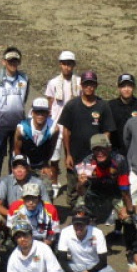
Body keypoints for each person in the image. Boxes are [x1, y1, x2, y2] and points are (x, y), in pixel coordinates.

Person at [57, 70, 115, 208]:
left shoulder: (103, 106)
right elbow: (66, 131)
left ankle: (91, 214)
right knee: (73, 189)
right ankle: (75, 215)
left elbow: (107, 131)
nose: (89, 87)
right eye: (86, 84)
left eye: (92, 84)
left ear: (96, 86)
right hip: (75, 156)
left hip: (95, 157)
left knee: (92, 187)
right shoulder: (72, 105)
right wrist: (68, 155)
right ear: (81, 86)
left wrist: (103, 152)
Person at [76, 134, 137, 254]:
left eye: (103, 149)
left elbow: (124, 188)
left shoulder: (119, 160)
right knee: (80, 213)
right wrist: (80, 184)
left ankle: (132, 248)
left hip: (115, 193)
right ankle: (86, 243)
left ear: (109, 148)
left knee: (129, 219)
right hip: (94, 193)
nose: (100, 153)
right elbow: (81, 192)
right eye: (96, 150)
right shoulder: (87, 162)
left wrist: (128, 210)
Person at [0, 46, 30, 172]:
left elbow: (24, 97)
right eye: (10, 60)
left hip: (19, 125)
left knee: (16, 155)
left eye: (15, 61)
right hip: (1, 125)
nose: (13, 63)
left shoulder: (25, 79)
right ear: (3, 61)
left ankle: (14, 182)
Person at [44, 51, 81, 198]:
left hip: (74, 125)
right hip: (58, 124)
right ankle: (54, 182)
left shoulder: (78, 82)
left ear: (73, 65)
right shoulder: (53, 83)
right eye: (64, 63)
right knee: (54, 156)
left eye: (69, 64)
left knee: (72, 155)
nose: (67, 67)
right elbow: (50, 103)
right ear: (60, 64)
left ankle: (74, 184)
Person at [57, 206, 115, 272]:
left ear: (87, 224)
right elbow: (62, 259)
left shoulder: (97, 233)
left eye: (82, 225)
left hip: (95, 265)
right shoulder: (65, 232)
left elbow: (103, 261)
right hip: (76, 264)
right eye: (76, 224)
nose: (78, 228)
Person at [13, 97, 59, 176]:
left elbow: (51, 148)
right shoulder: (22, 128)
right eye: (37, 112)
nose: (40, 115)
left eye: (43, 112)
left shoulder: (54, 129)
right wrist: (23, 166)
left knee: (46, 183)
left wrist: (45, 164)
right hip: (23, 160)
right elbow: (17, 150)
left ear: (48, 113)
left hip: (40, 162)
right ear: (32, 113)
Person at [6, 182, 61, 247]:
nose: (31, 202)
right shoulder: (15, 207)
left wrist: (48, 241)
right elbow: (10, 227)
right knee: (9, 244)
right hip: (22, 238)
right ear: (23, 198)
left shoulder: (50, 209)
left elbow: (55, 230)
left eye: (34, 198)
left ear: (39, 198)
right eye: (27, 198)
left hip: (43, 240)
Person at [108, 74, 137, 157]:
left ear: (134, 87)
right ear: (119, 88)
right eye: (123, 86)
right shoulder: (110, 105)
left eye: (129, 86)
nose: (126, 89)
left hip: (136, 151)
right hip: (115, 151)